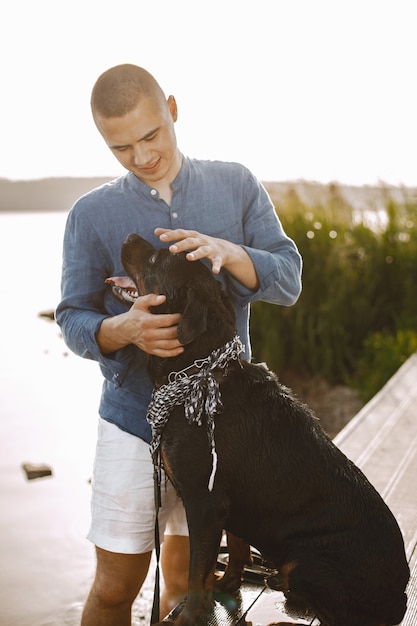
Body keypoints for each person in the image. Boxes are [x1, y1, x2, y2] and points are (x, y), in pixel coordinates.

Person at [55, 63, 302, 626]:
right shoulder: (90, 215)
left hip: (222, 428)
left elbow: (288, 279)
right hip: (130, 421)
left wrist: (229, 252)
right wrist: (123, 329)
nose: (141, 157)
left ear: (172, 107)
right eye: (121, 147)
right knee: (115, 588)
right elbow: (72, 318)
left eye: (150, 136)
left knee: (187, 592)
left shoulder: (236, 184)